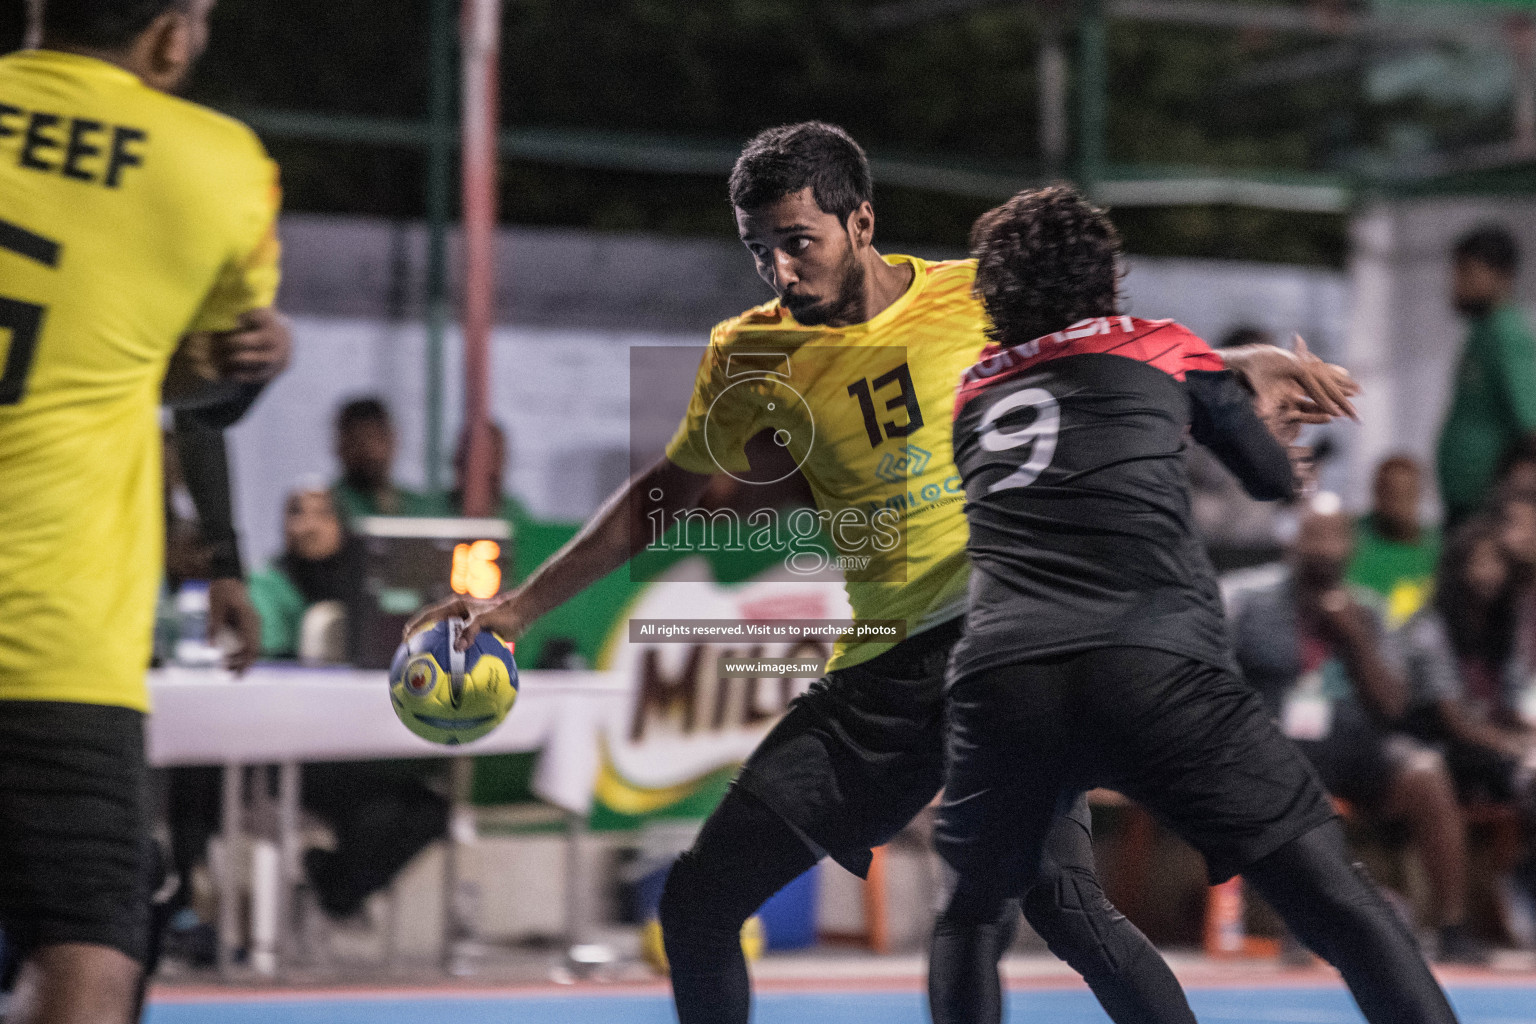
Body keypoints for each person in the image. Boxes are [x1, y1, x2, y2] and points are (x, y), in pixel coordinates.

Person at [408, 123, 1356, 1024]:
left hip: (1007, 647)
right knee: (698, 905)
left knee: (1064, 906)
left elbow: (1114, 356)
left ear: (861, 220)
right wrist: (519, 606)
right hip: (886, 676)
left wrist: (1242, 361)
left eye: (797, 241)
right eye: (757, 249)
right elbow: (669, 492)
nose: (780, 269)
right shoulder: (750, 352)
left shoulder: (978, 296)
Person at [937, 184, 1457, 1024]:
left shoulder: (973, 394)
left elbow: (1078, 388)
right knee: (1338, 905)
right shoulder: (1163, 346)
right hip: (1152, 664)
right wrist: (1257, 408)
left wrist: (1222, 367)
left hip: (1006, 677)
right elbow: (1265, 474)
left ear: (993, 301)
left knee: (969, 921)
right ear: (1109, 279)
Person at [0, 1, 288, 1021]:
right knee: (87, 952)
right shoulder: (212, 161)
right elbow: (210, 382)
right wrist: (224, 558)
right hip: (50, 633)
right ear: (170, 33)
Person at [1232, 506, 1479, 963]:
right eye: (1315, 538)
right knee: (1297, 782)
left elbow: (1394, 706)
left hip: (1355, 743)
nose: (1325, 550)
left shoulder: (1368, 608)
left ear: (1351, 547)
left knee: (1426, 772)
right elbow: (1214, 678)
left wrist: (1355, 638)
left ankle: (1452, 928)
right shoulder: (1248, 599)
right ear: (1293, 543)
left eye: (1336, 539)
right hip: (1275, 745)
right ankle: (1304, 928)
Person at [1437, 225, 1536, 528]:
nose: (1456, 283)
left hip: (1488, 512)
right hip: (1468, 506)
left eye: (1467, 271)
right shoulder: (1482, 331)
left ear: (1501, 275)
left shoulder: (1505, 335)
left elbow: (1530, 425)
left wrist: (1516, 501)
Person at [247, 483, 362, 659]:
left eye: (323, 513)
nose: (310, 526)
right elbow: (272, 659)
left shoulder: (365, 584)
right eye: (297, 513)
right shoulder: (264, 583)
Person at [1348, 455, 1440, 627]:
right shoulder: (1349, 536)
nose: (1399, 504)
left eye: (1408, 494)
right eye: (1392, 494)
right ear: (1376, 493)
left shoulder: (1438, 547)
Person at [330, 396, 438, 521]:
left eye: (379, 439)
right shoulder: (328, 508)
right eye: (360, 442)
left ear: (394, 439)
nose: (372, 452)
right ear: (341, 446)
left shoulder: (423, 507)